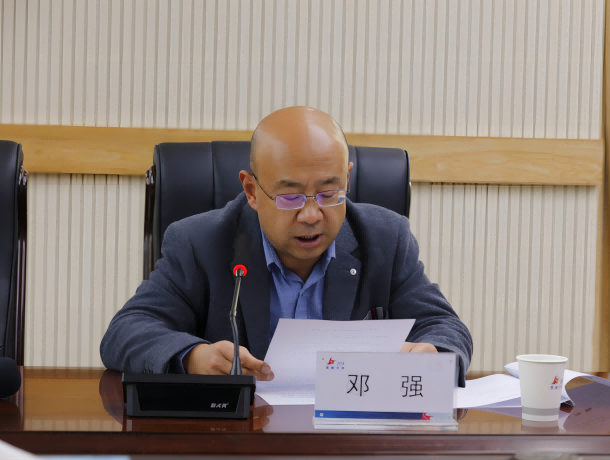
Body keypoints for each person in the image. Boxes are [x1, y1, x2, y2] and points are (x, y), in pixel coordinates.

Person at [100, 106, 473, 385]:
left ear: (347, 179)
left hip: (346, 441)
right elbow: (126, 331)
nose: (311, 215)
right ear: (251, 191)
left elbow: (445, 327)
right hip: (242, 442)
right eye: (290, 197)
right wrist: (193, 357)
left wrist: (431, 354)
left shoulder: (385, 238)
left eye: (329, 192)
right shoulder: (199, 242)